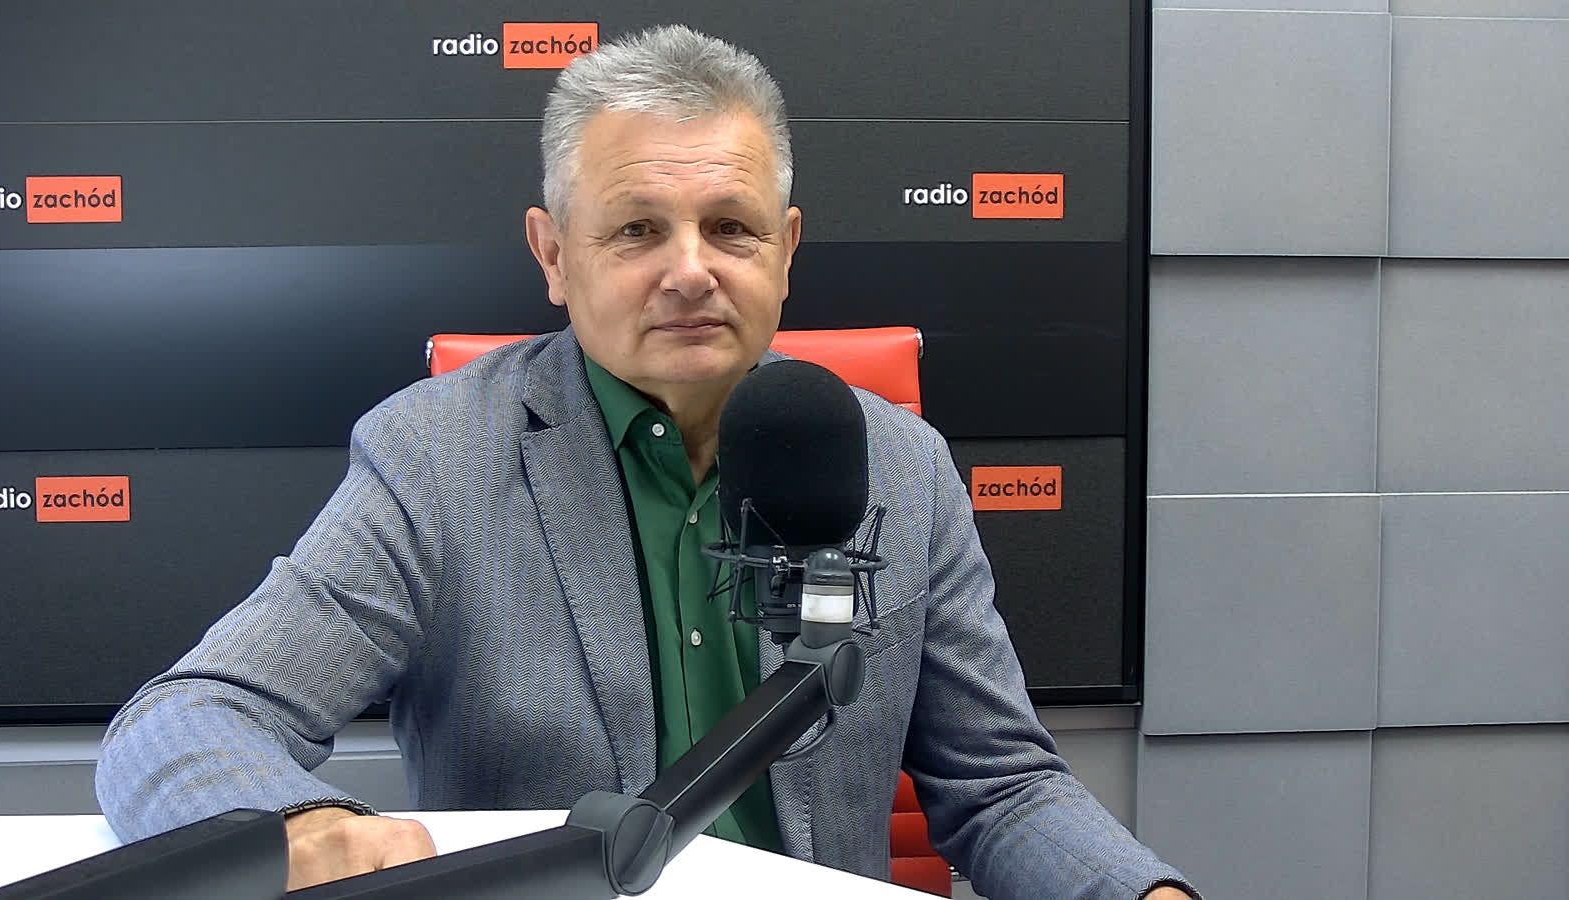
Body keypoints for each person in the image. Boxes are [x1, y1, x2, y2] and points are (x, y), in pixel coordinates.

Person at [96, 25, 1197, 900]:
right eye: (635, 231)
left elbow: (1001, 789)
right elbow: (189, 719)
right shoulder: (435, 457)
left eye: (731, 227)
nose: (690, 271)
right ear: (552, 255)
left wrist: (1141, 893)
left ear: (786, 250)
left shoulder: (899, 466)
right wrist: (304, 825)